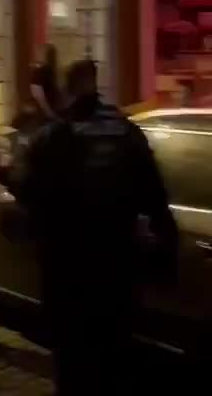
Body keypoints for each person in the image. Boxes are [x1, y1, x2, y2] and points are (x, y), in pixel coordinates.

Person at [10, 60, 176, 395]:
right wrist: (164, 244)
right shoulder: (124, 129)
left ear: (67, 88)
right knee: (113, 357)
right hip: (116, 266)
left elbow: (26, 190)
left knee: (72, 361)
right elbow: (154, 195)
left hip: (67, 269)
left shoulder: (53, 134)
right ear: (96, 84)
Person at [30, 44, 62, 121]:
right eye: (52, 55)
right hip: (44, 116)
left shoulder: (50, 71)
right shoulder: (40, 72)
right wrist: (50, 113)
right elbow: (38, 95)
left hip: (50, 113)